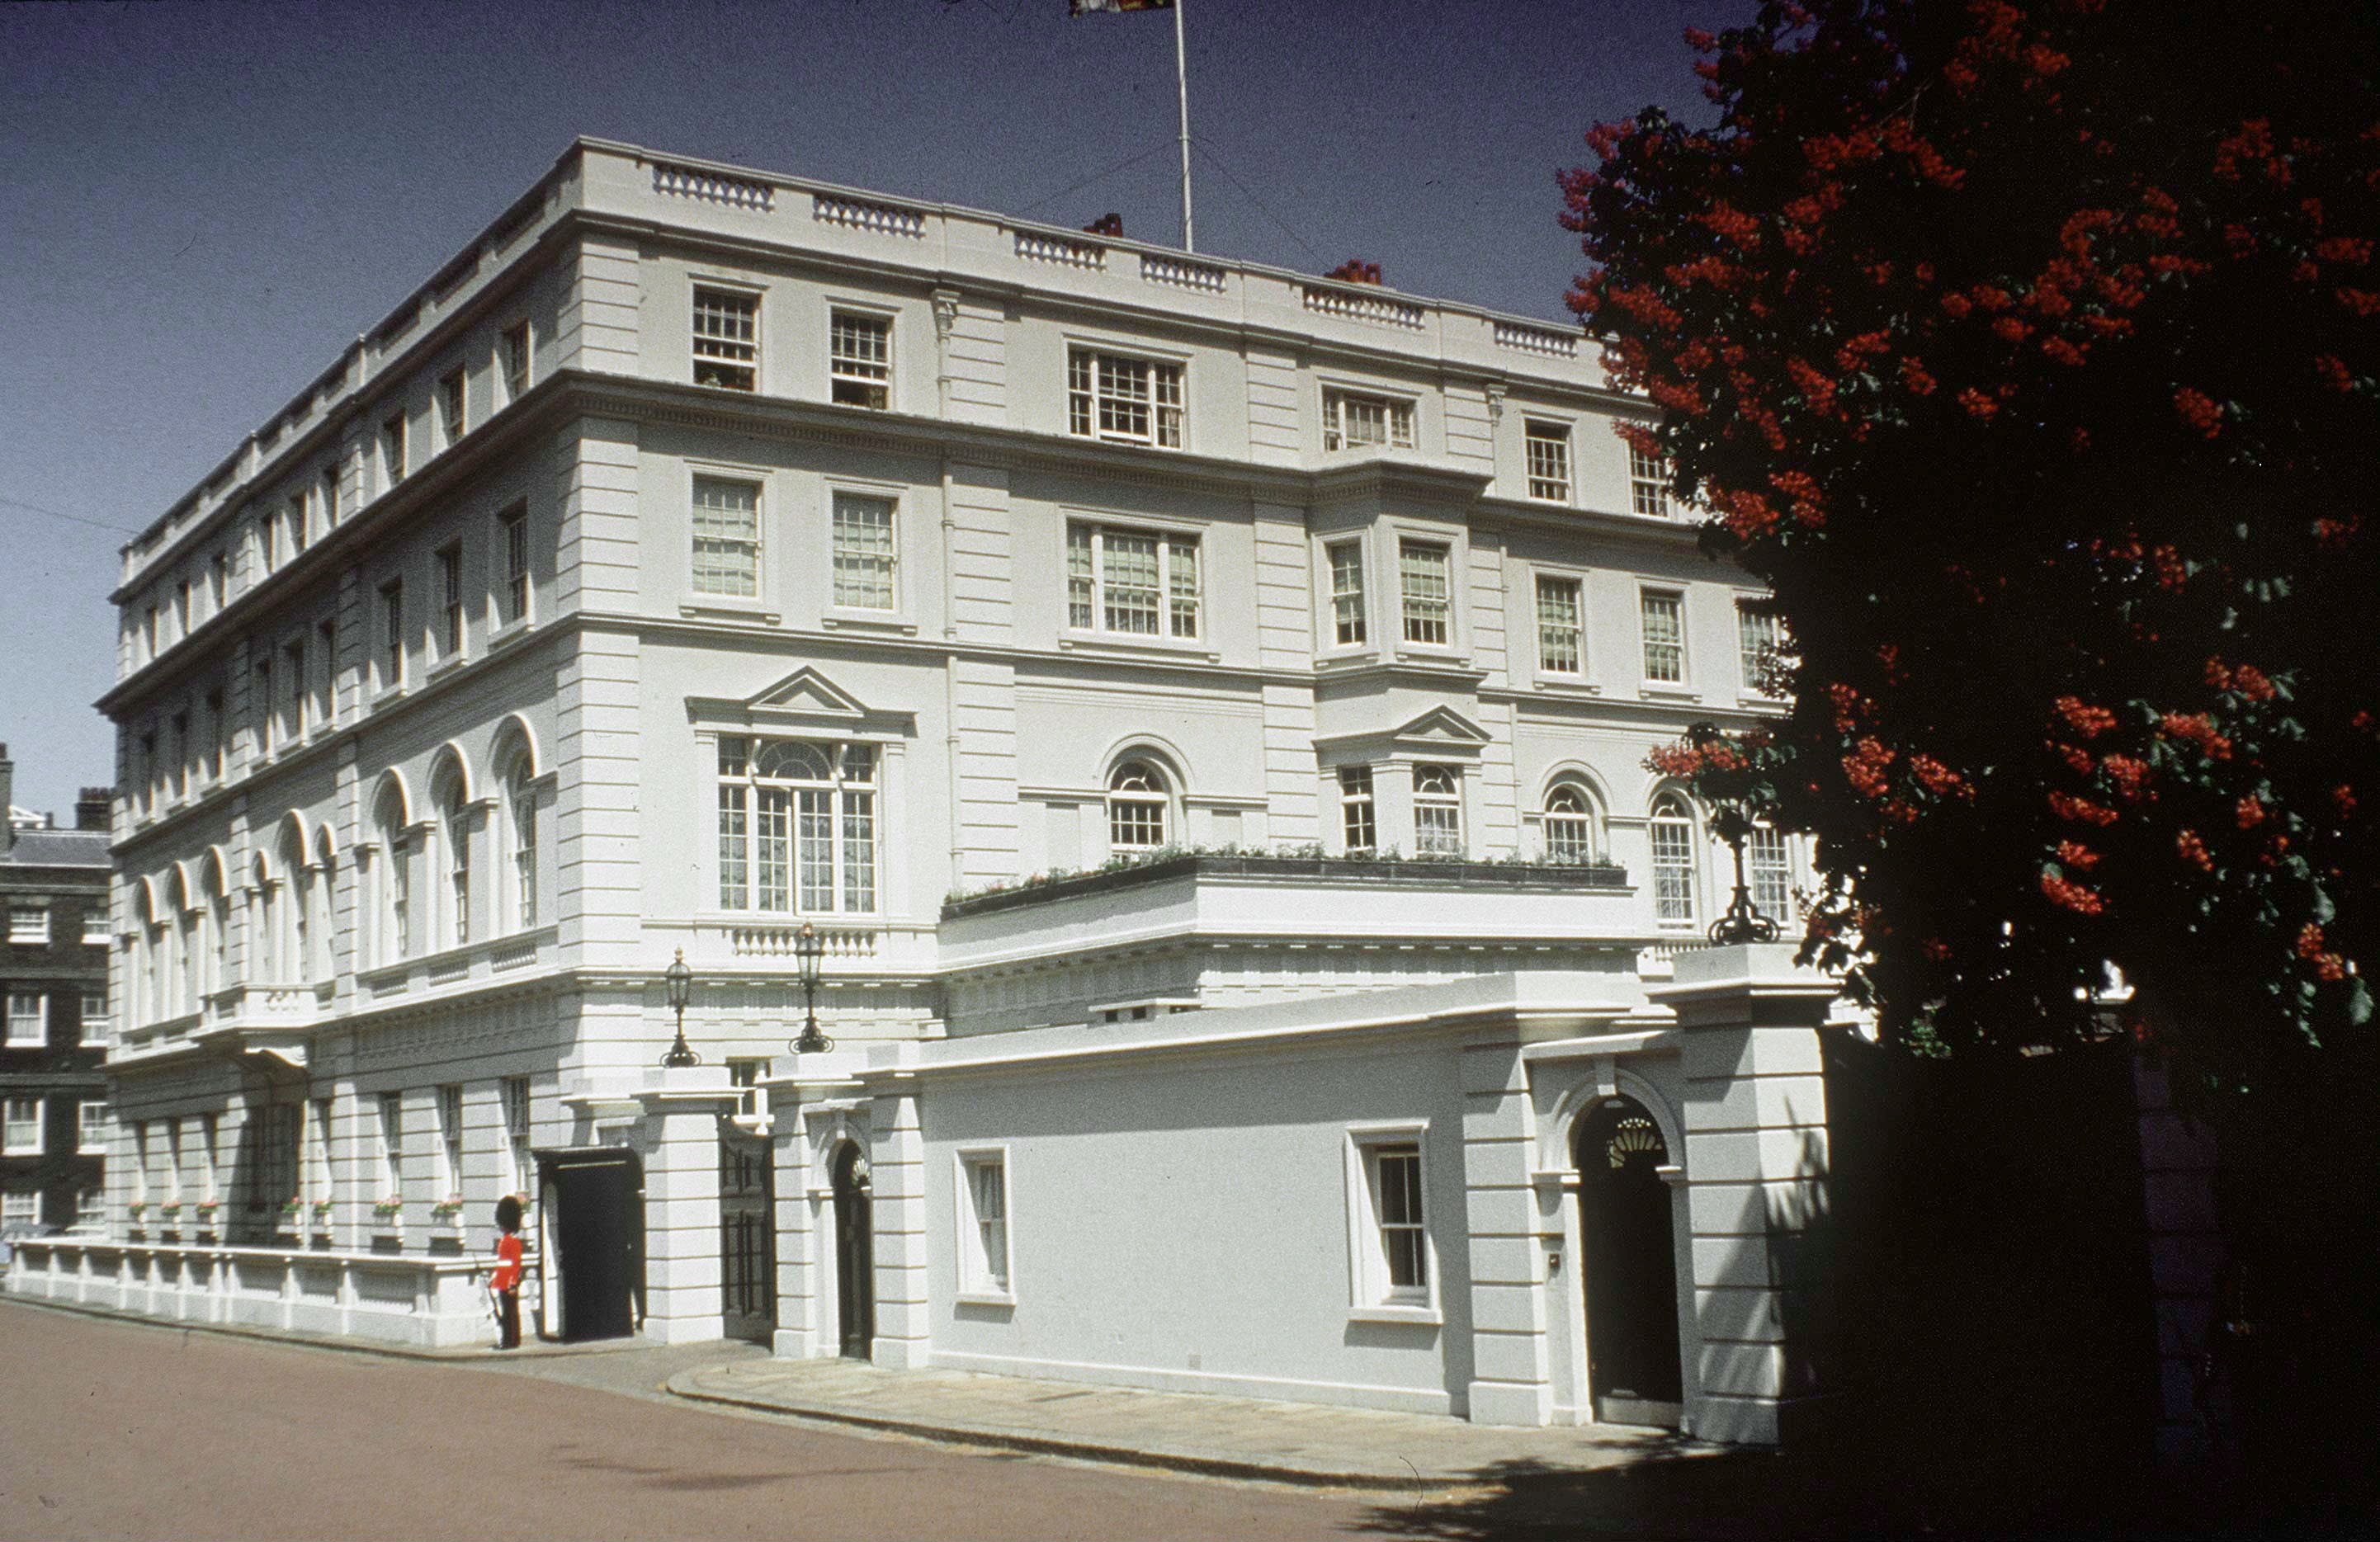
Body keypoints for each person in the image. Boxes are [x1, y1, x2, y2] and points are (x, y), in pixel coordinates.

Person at [489, 1194, 525, 1350]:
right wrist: (494, 1278)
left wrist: (513, 1283)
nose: (501, 1226)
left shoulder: (513, 1241)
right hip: (502, 1280)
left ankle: (510, 1340)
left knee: (510, 1313)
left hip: (509, 1281)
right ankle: (510, 1339)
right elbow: (502, 1263)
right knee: (507, 1311)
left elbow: (515, 1264)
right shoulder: (505, 1240)